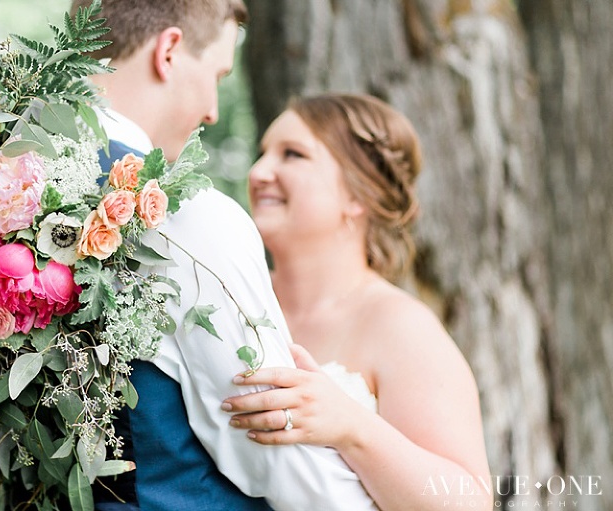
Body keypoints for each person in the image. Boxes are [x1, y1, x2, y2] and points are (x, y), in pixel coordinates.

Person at [71, 2, 378, 510]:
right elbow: (276, 453)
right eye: (217, 74)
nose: (212, 110)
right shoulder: (187, 214)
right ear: (169, 51)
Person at [221, 94, 494, 510]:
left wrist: (351, 426)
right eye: (262, 154)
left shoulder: (402, 327)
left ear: (358, 194)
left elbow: (468, 501)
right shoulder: (230, 294)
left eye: (292, 154)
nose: (258, 172)